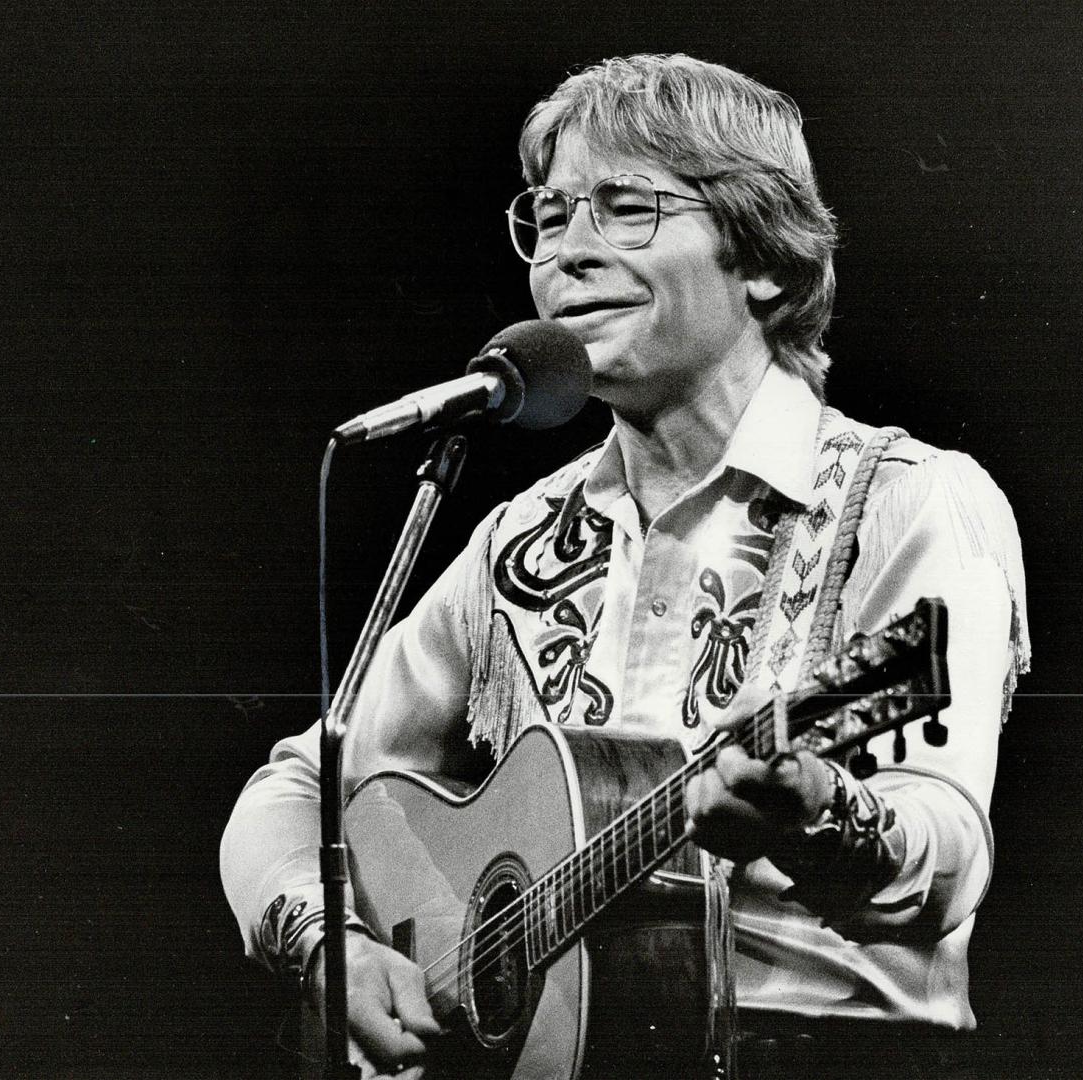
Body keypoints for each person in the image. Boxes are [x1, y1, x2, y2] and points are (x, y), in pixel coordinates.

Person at [221, 53, 1030, 1079]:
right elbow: (302, 781)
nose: (568, 253)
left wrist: (818, 812)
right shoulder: (522, 538)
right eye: (551, 217)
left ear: (767, 259)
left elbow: (946, 848)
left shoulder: (908, 497)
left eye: (625, 208)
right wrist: (331, 947)